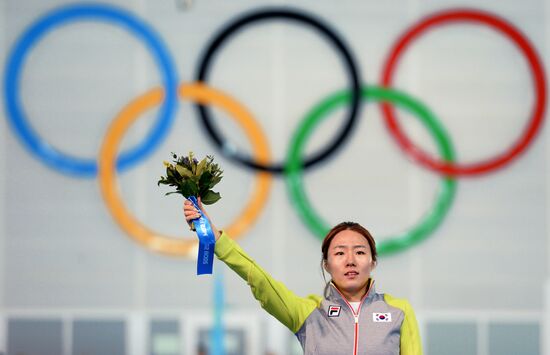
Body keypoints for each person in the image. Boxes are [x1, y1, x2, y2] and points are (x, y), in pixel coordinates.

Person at [184, 199, 422, 355]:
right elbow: (260, 280)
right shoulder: (308, 312)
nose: (350, 260)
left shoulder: (399, 311)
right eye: (340, 253)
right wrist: (216, 239)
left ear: (373, 261)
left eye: (360, 252)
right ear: (327, 265)